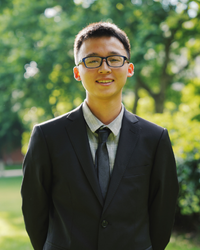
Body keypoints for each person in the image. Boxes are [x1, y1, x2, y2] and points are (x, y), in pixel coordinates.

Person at [21, 22, 179, 250]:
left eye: (114, 59)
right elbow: (34, 211)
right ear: (77, 72)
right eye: (93, 60)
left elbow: (162, 215)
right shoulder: (46, 136)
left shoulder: (155, 138)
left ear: (129, 68)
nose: (104, 68)